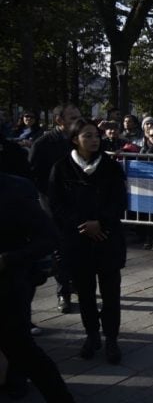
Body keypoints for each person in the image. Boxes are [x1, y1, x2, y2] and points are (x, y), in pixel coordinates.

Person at [0, 174, 81, 403]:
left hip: (8, 288)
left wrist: (9, 259)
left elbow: (48, 238)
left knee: (23, 351)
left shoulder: (14, 189)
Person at [48, 118, 127, 364]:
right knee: (85, 293)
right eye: (88, 136)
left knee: (111, 294)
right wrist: (82, 225)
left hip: (107, 238)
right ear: (75, 139)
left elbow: (120, 202)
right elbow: (56, 205)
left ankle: (111, 339)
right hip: (78, 241)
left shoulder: (112, 167)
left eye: (96, 136)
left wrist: (101, 223)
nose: (94, 140)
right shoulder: (61, 168)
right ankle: (92, 335)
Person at [29, 102, 81, 314]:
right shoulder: (43, 144)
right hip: (52, 204)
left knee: (77, 246)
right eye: (72, 118)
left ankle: (76, 283)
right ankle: (63, 293)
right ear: (59, 121)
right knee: (60, 249)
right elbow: (32, 174)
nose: (77, 121)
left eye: (79, 117)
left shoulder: (79, 140)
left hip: (78, 203)